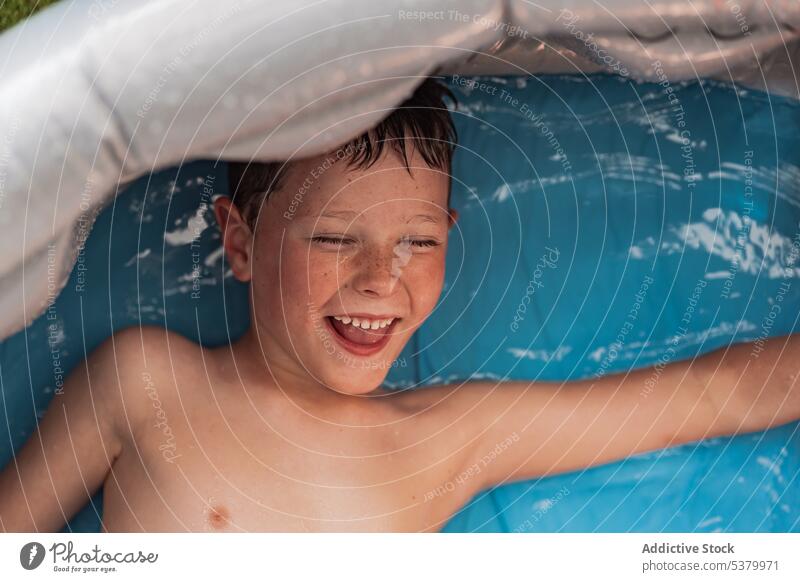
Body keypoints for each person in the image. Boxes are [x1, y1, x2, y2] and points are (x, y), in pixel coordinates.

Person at [1, 78, 798, 532]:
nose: (382, 279)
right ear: (239, 243)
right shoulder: (147, 385)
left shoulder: (446, 441)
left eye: (416, 241)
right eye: (333, 240)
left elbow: (710, 395)